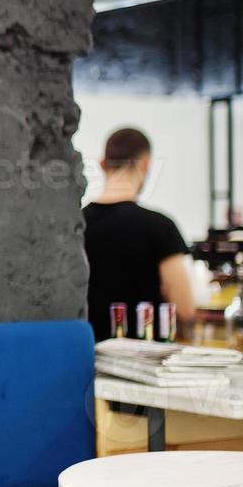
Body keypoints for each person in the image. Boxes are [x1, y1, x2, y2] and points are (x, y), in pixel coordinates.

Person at [84, 127, 195, 341]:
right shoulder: (160, 227)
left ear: (101, 164)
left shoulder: (75, 225)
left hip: (86, 355)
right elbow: (185, 308)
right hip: (145, 359)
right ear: (146, 164)